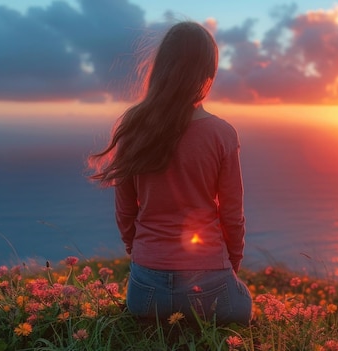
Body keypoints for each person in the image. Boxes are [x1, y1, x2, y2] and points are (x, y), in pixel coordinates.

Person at [88, 21, 252, 326]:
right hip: (210, 285)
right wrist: (231, 266)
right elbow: (232, 215)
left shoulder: (134, 126)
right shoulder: (222, 133)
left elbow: (125, 214)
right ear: (208, 73)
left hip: (144, 292)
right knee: (244, 303)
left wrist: (142, 256)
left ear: (161, 67)